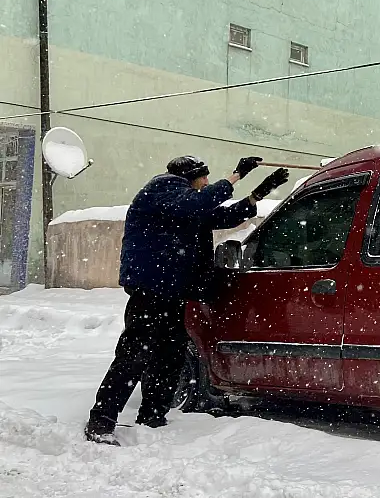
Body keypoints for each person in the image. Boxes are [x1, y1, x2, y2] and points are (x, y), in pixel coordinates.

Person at [84, 155, 289, 445]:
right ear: (189, 177)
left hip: (174, 292)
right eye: (202, 177)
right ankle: (101, 423)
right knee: (134, 355)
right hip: (150, 291)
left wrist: (260, 193)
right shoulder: (162, 188)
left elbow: (224, 217)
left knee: (169, 355)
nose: (205, 182)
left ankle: (153, 416)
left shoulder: (185, 206)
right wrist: (236, 176)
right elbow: (199, 203)